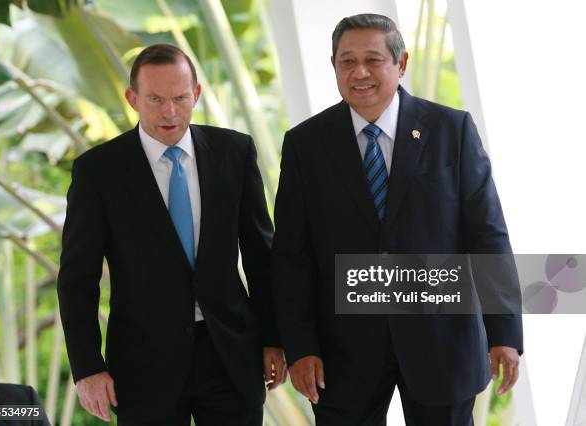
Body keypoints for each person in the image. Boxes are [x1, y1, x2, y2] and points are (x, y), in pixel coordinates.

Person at [272, 14, 523, 425]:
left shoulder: (450, 130)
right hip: (342, 353)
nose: (360, 72)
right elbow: (291, 255)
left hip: (441, 342)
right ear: (333, 66)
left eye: (373, 59)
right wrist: (300, 346)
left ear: (401, 64)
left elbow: (487, 235)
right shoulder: (305, 145)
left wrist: (505, 333)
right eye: (347, 62)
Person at [57, 44, 286, 426]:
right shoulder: (98, 171)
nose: (170, 112)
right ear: (133, 98)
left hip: (230, 355)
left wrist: (273, 337)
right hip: (143, 365)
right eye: (156, 99)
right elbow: (77, 280)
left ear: (195, 94)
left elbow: (262, 256)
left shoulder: (235, 152)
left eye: (181, 98)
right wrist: (87, 368)